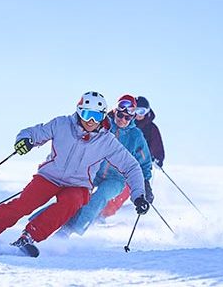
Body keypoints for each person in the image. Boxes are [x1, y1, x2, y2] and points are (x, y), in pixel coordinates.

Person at [0, 91, 150, 253]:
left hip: (78, 184)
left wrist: (139, 195)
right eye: (87, 114)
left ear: (103, 116)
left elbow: (132, 166)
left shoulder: (106, 140)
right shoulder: (62, 125)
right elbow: (33, 132)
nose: (91, 121)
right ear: (79, 112)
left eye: (97, 116)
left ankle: (29, 236)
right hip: (49, 177)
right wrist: (25, 140)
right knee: (24, 204)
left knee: (72, 202)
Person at [56, 95, 153, 237]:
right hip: (93, 169)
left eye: (127, 117)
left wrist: (145, 183)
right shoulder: (103, 124)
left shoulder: (136, 136)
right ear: (115, 111)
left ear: (132, 118)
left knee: (99, 197)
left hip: (116, 179)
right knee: (73, 193)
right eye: (120, 115)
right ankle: (41, 224)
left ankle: (69, 231)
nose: (122, 120)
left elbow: (144, 162)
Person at [100, 95, 164, 219]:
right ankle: (87, 213)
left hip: (135, 168)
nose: (139, 115)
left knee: (124, 190)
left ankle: (102, 215)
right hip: (111, 165)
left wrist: (157, 159)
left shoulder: (149, 128)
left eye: (143, 112)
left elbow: (157, 147)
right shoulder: (118, 121)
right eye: (137, 111)